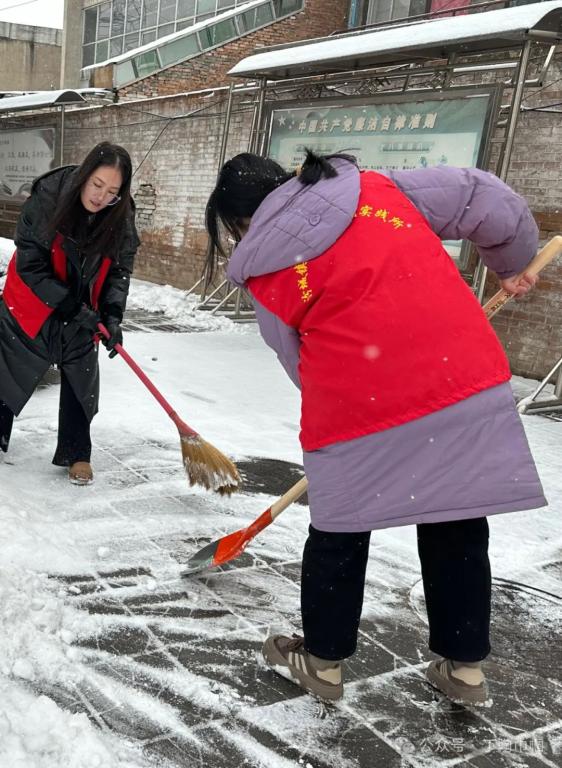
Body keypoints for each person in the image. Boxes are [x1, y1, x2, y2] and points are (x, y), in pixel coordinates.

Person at [205, 150, 547, 706]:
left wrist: (362, 393)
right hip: (455, 373)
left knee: (340, 531)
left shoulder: (261, 264)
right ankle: (463, 671)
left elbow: (295, 360)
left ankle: (323, 662)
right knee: (454, 517)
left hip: (355, 401)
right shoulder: (375, 188)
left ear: (237, 222)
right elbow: (484, 197)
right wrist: (511, 262)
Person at [0, 142, 140, 485]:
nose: (101, 197)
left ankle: (77, 452)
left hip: (83, 304)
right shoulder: (48, 198)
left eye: (112, 191)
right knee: (7, 369)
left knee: (81, 373)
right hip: (32, 300)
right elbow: (31, 265)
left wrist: (111, 314)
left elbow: (120, 268)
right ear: (84, 176)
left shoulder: (120, 214)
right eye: (97, 185)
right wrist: (71, 307)